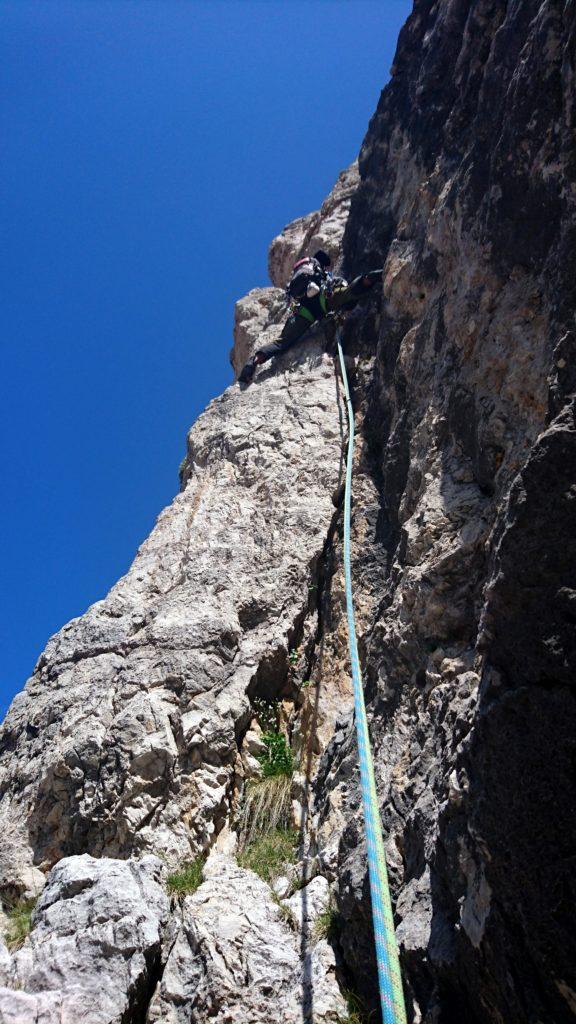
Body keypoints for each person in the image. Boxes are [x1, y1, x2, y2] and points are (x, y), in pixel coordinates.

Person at [237, 249, 383, 384]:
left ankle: (253, 362)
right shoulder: (325, 275)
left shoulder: (302, 273)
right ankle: (371, 277)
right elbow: (345, 295)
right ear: (323, 266)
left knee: (281, 343)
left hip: (303, 309)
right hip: (323, 299)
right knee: (350, 292)